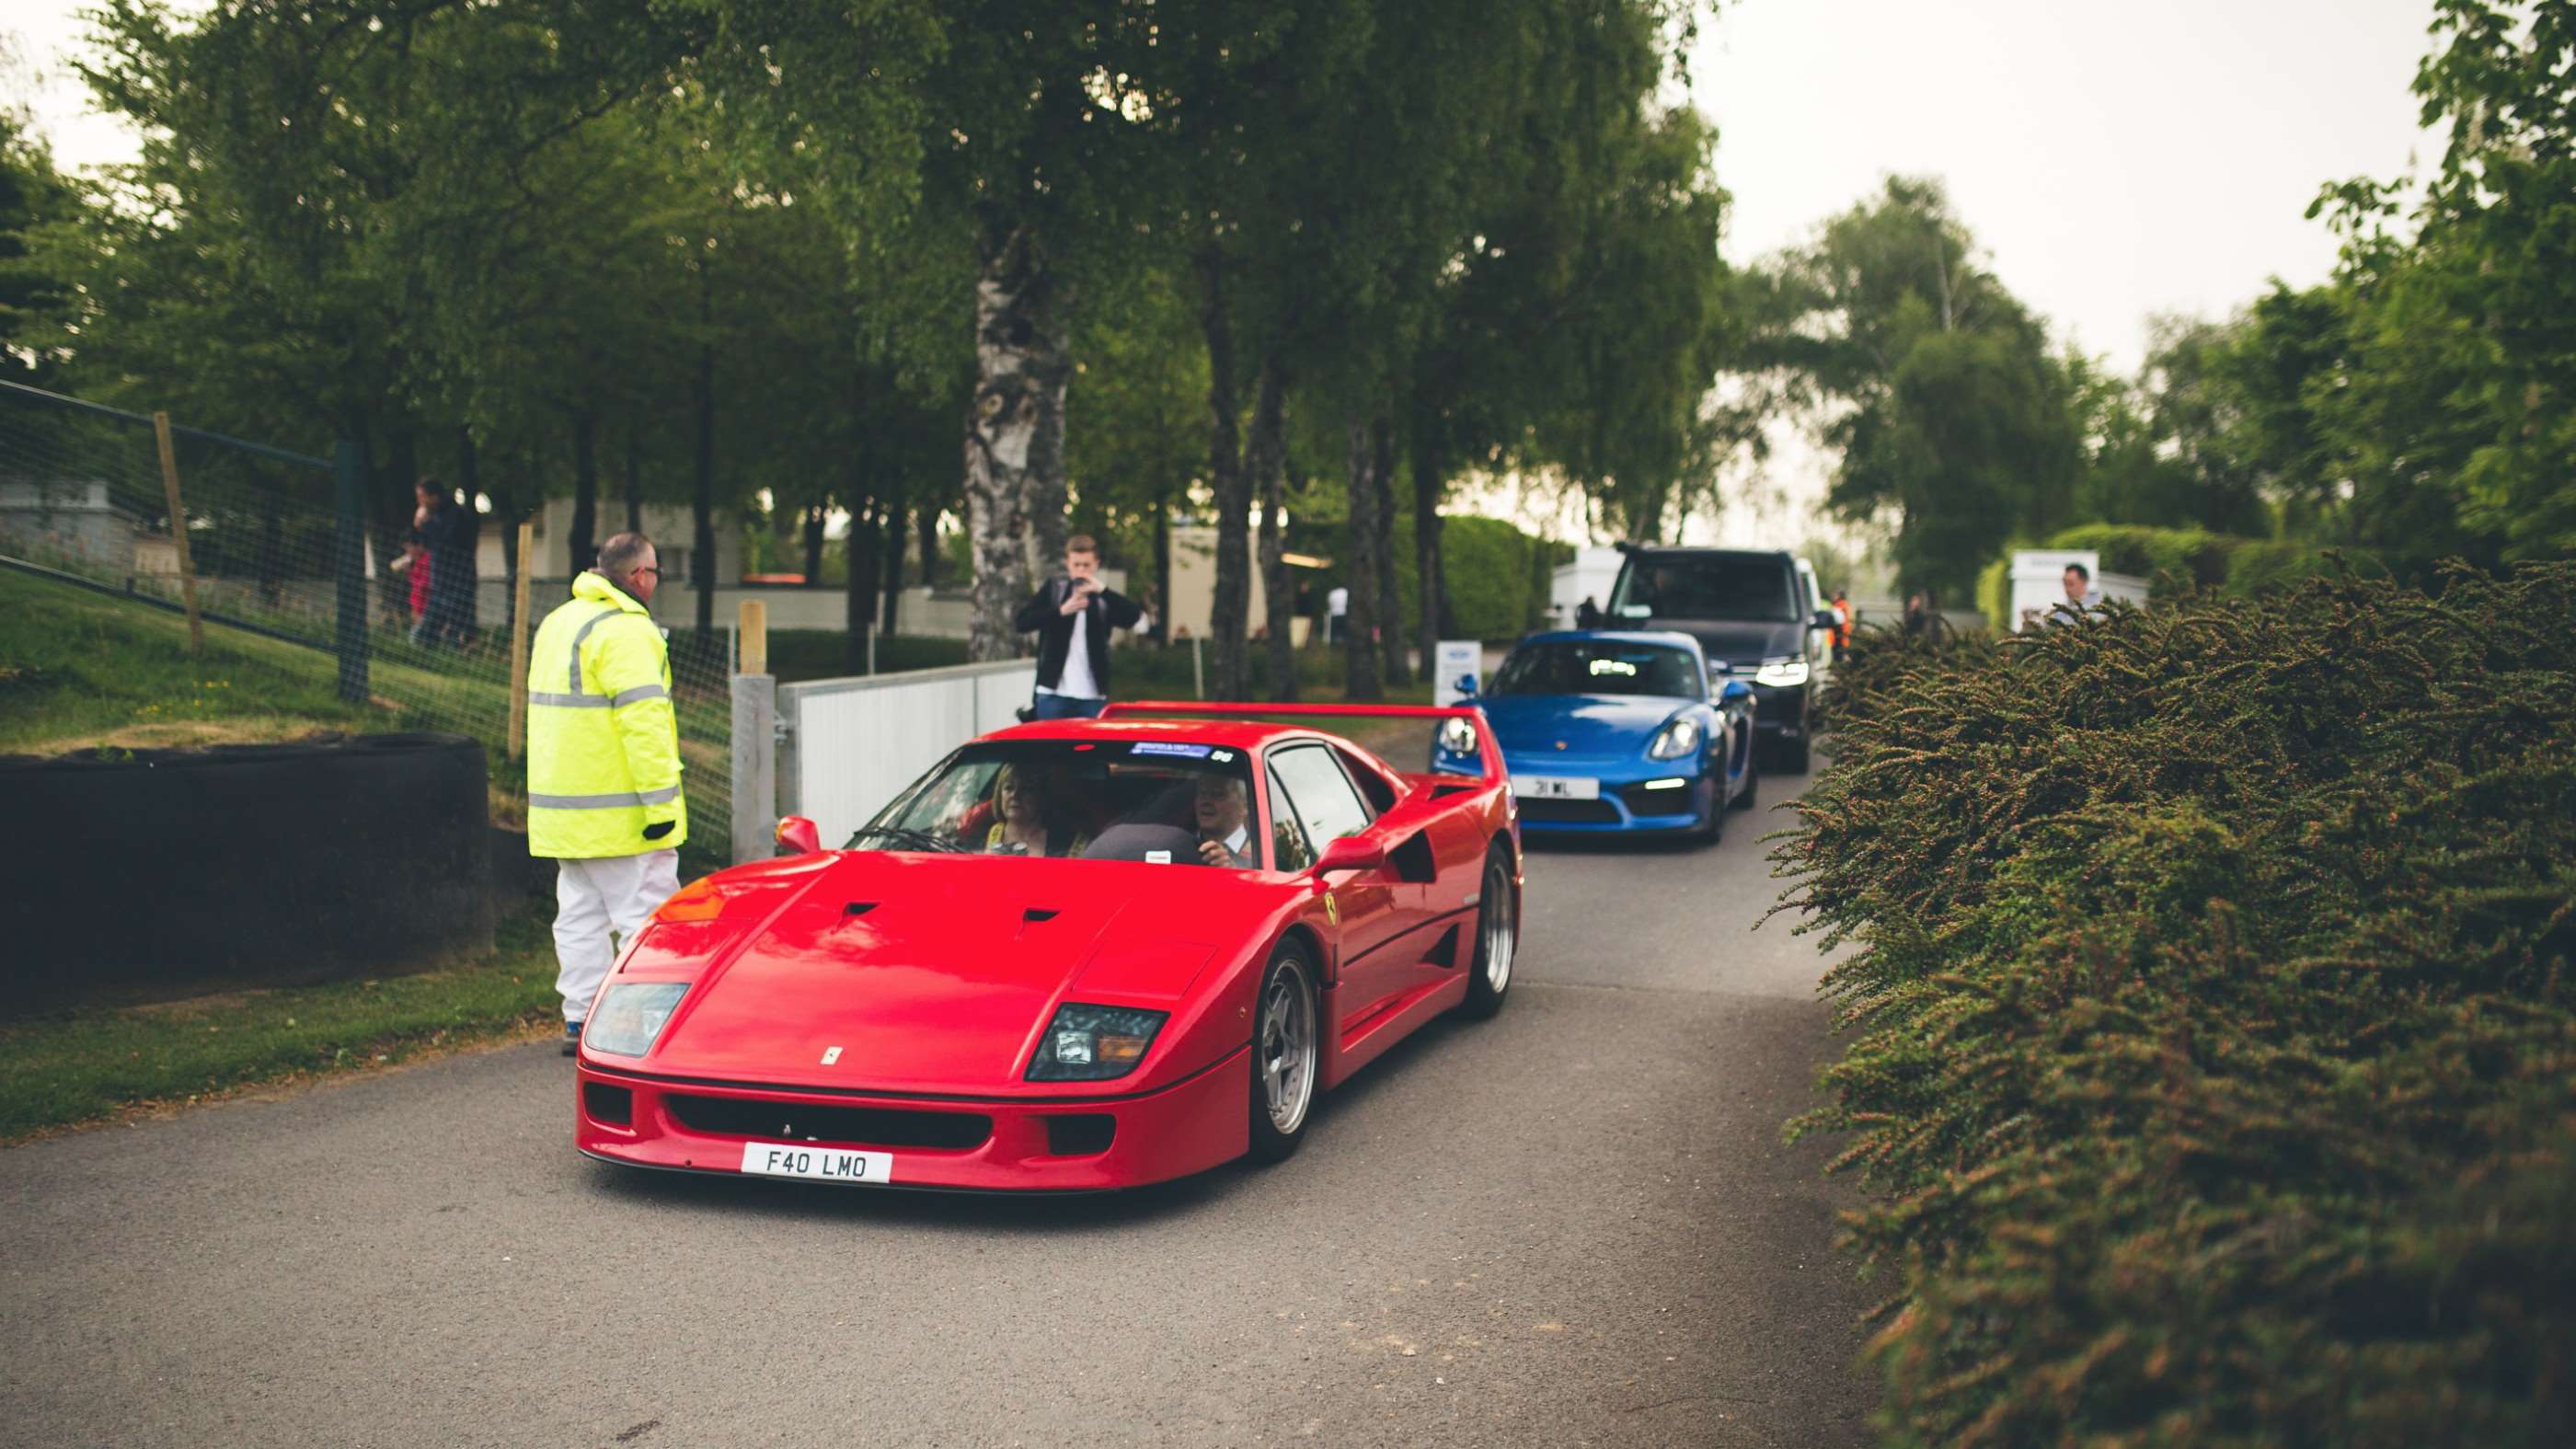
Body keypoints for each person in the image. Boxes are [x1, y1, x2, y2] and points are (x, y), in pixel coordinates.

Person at [526, 532, 685, 1055]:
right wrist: (661, 808)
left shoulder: (558, 622)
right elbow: (645, 727)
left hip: (564, 813)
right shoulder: (629, 631)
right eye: (656, 572)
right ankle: (645, 1028)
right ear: (639, 575)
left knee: (578, 917)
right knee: (645, 920)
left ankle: (581, 1020)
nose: (656, 582)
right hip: (624, 817)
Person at [1014, 534, 1144, 719]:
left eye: (1086, 565)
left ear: (1096, 564)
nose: (1081, 570)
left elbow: (1136, 619)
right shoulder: (1055, 591)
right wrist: (1060, 611)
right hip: (1053, 694)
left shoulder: (1102, 600)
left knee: (1092, 739)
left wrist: (1103, 590)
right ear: (1068, 564)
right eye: (1076, 565)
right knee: (1051, 739)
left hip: (1092, 696)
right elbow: (1022, 623)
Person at [411, 478, 477, 649]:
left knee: (455, 632)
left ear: (434, 497)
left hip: (457, 582)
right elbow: (427, 544)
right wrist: (420, 528)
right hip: (440, 584)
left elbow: (446, 542)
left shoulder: (456, 515)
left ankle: (457, 649)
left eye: (422, 496)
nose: (420, 501)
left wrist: (425, 525)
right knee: (424, 635)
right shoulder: (435, 516)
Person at [981, 764, 1090, 857]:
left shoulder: (1069, 844)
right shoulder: (981, 838)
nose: (1015, 795)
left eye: (1026, 789)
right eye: (1009, 788)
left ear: (1042, 796)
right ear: (999, 794)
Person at [1191, 774, 1255, 868]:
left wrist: (1233, 872)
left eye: (1218, 795)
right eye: (1202, 793)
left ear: (1245, 806)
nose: (1206, 801)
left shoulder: (1263, 853)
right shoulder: (1181, 844)